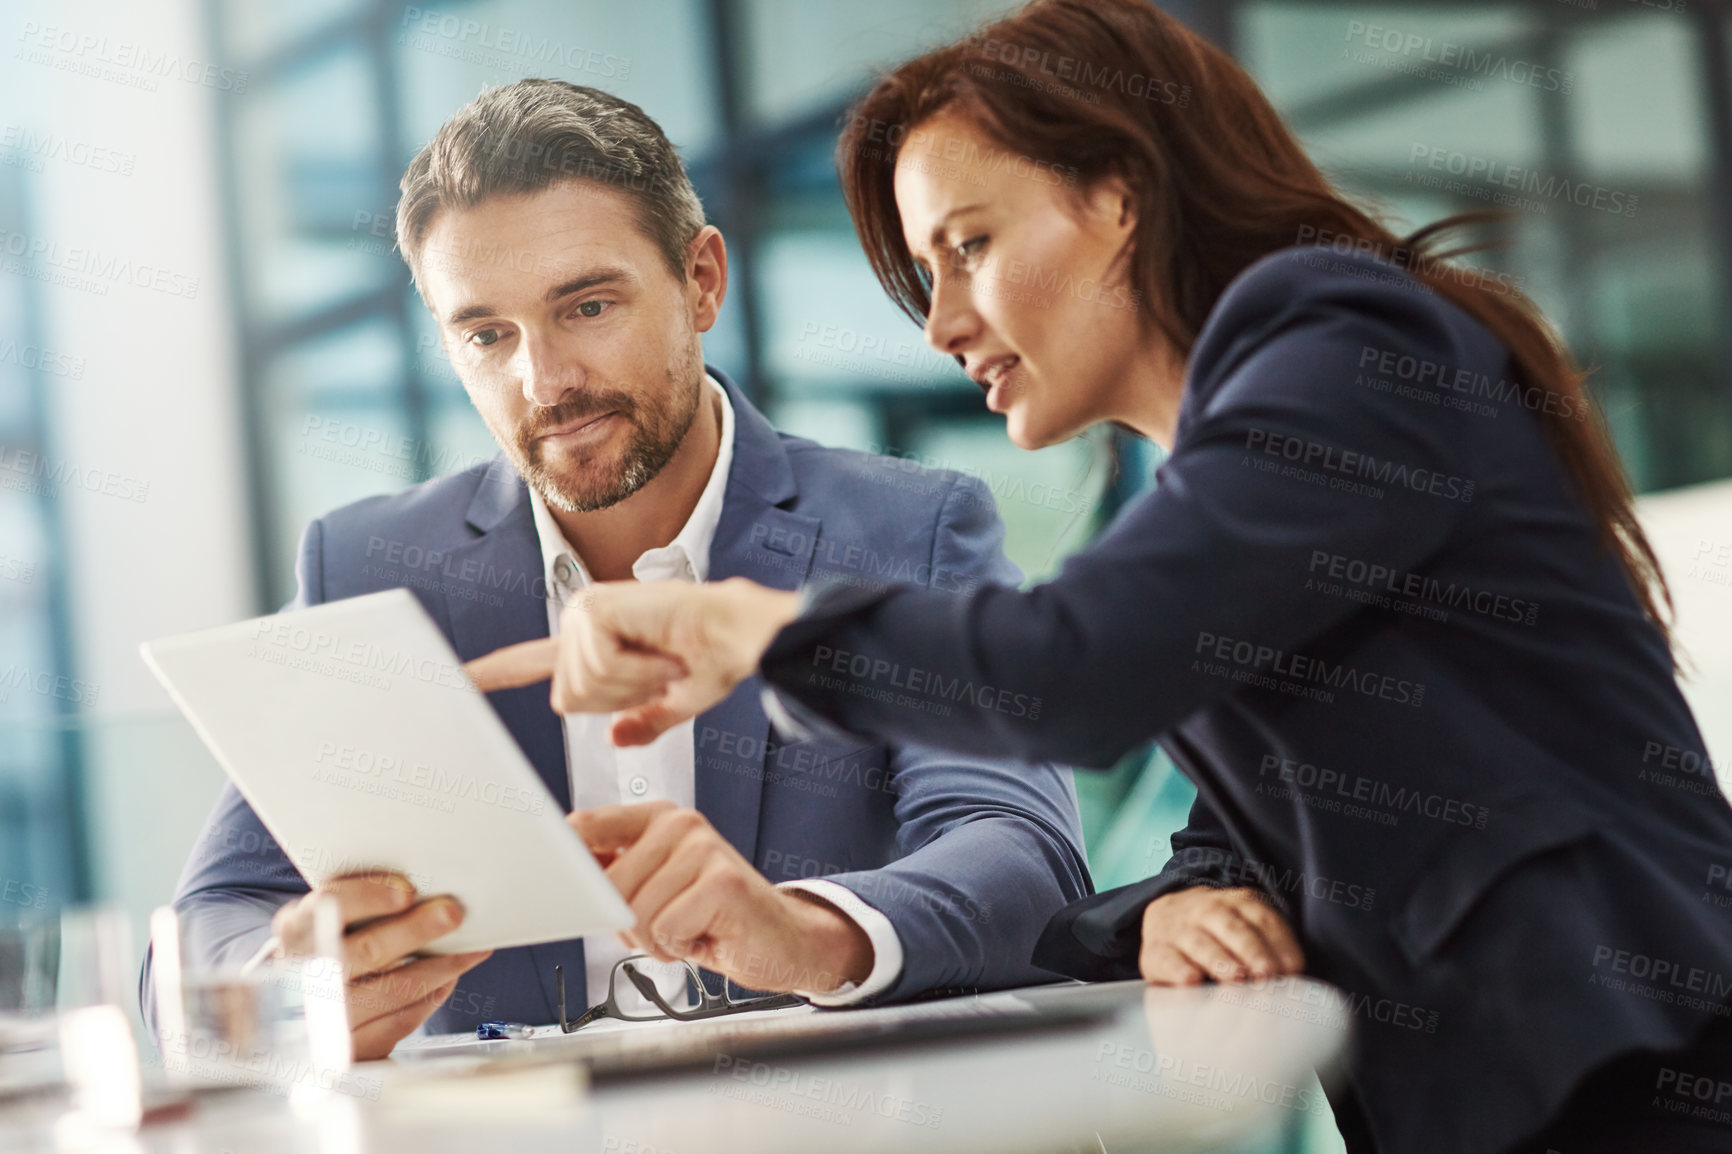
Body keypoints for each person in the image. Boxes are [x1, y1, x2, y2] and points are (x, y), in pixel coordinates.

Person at [465, 3, 1732, 1152]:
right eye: (927, 271)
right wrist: (1178, 910)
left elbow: (1072, 670)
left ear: (1120, 196)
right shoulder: (1246, 456)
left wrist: (746, 625)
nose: (942, 322)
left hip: (1638, 1064)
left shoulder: (1341, 339)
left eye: (967, 246)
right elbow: (1224, 829)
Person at [140, 79, 1091, 1060]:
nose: (542, 380)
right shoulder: (366, 569)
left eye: (585, 305)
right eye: (485, 334)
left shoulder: (909, 528)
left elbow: (1023, 855)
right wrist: (286, 980)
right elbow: (206, 927)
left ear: (703, 280)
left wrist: (807, 932)